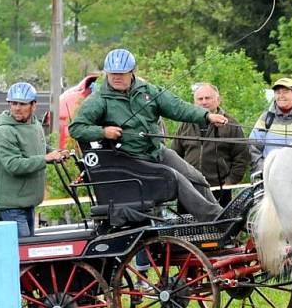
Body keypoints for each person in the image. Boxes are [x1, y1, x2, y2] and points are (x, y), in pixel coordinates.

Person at [68, 49, 229, 221]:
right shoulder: (99, 100)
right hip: (129, 158)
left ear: (132, 72)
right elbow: (76, 128)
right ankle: (216, 220)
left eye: (122, 74)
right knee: (175, 180)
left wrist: (207, 116)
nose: (116, 77)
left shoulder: (148, 91)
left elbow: (178, 107)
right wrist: (103, 132)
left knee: (196, 177)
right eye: (112, 73)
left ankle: (223, 216)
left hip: (155, 151)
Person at [0, 82, 69, 237]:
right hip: (11, 207)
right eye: (14, 103)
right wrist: (46, 158)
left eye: (22, 104)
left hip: (28, 203)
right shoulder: (4, 132)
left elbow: (39, 147)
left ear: (34, 106)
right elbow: (14, 165)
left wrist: (55, 153)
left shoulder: (34, 124)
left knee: (30, 255)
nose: (17, 108)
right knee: (22, 256)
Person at [172, 83, 250, 206]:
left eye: (207, 98)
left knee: (219, 225)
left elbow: (241, 157)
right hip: (189, 190)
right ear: (194, 102)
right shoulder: (185, 124)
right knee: (188, 225)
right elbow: (175, 155)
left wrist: (229, 183)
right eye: (200, 99)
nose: (203, 102)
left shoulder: (231, 125)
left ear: (218, 100)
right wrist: (180, 182)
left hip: (219, 191)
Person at [248, 77, 292, 174]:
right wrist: (263, 170)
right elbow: (253, 147)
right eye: (278, 92)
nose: (281, 96)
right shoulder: (266, 118)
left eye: (285, 92)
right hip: (268, 179)